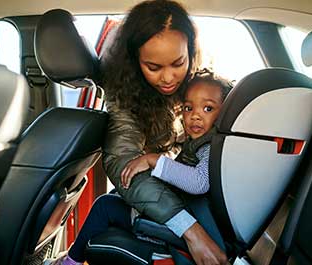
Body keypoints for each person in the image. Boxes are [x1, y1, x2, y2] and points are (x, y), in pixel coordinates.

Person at [44, 69, 233, 265]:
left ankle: (70, 262)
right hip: (178, 216)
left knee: (104, 206)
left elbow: (198, 182)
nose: (195, 116)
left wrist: (153, 160)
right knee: (113, 197)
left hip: (171, 230)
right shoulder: (202, 143)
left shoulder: (209, 147)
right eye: (188, 108)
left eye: (208, 109)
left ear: (224, 114)